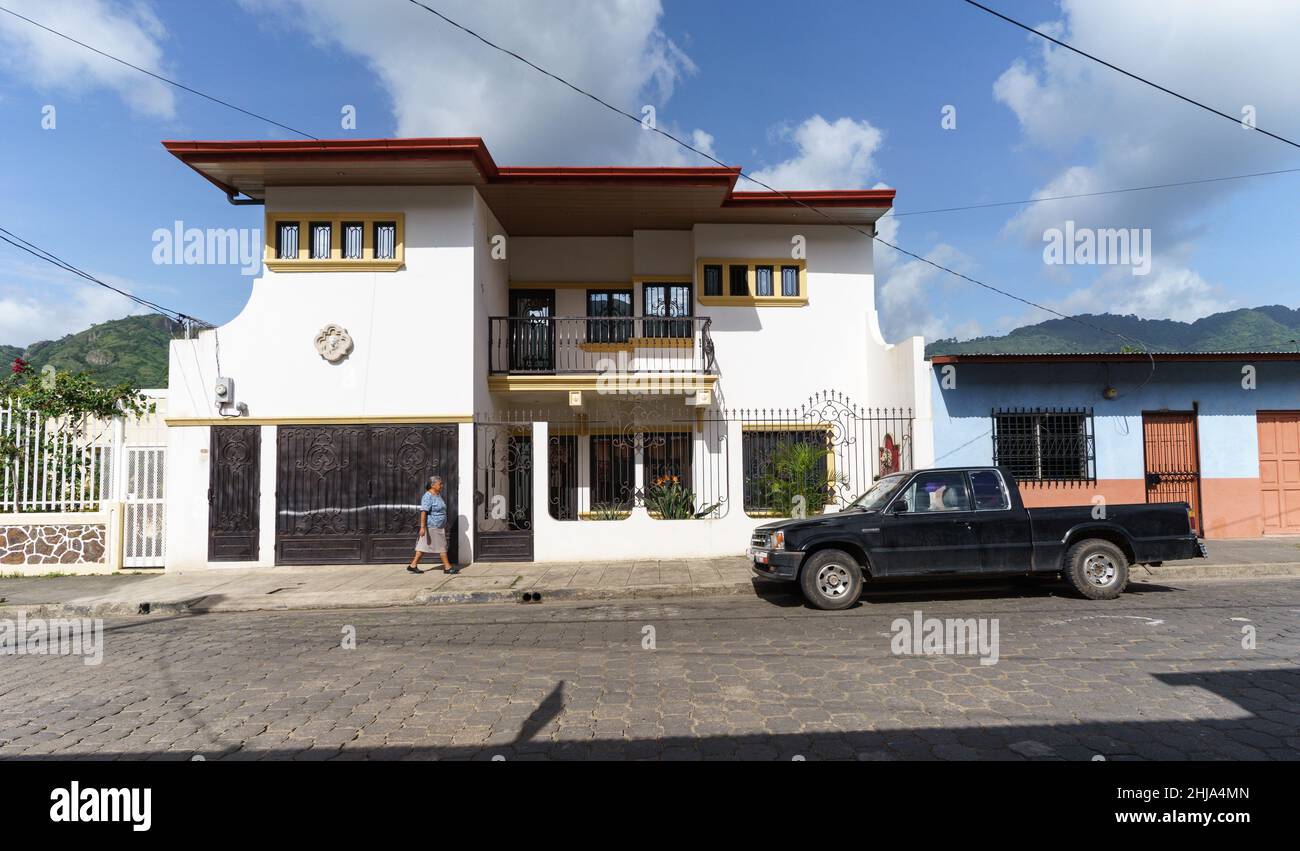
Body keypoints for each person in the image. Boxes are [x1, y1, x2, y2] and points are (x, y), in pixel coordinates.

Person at [408, 475, 456, 574]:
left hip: (438, 525)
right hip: (432, 526)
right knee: (442, 546)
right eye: (440, 484)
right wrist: (422, 527)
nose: (442, 485)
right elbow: (423, 512)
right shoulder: (428, 496)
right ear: (433, 485)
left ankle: (413, 565)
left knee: (422, 546)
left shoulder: (437, 495)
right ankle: (447, 567)